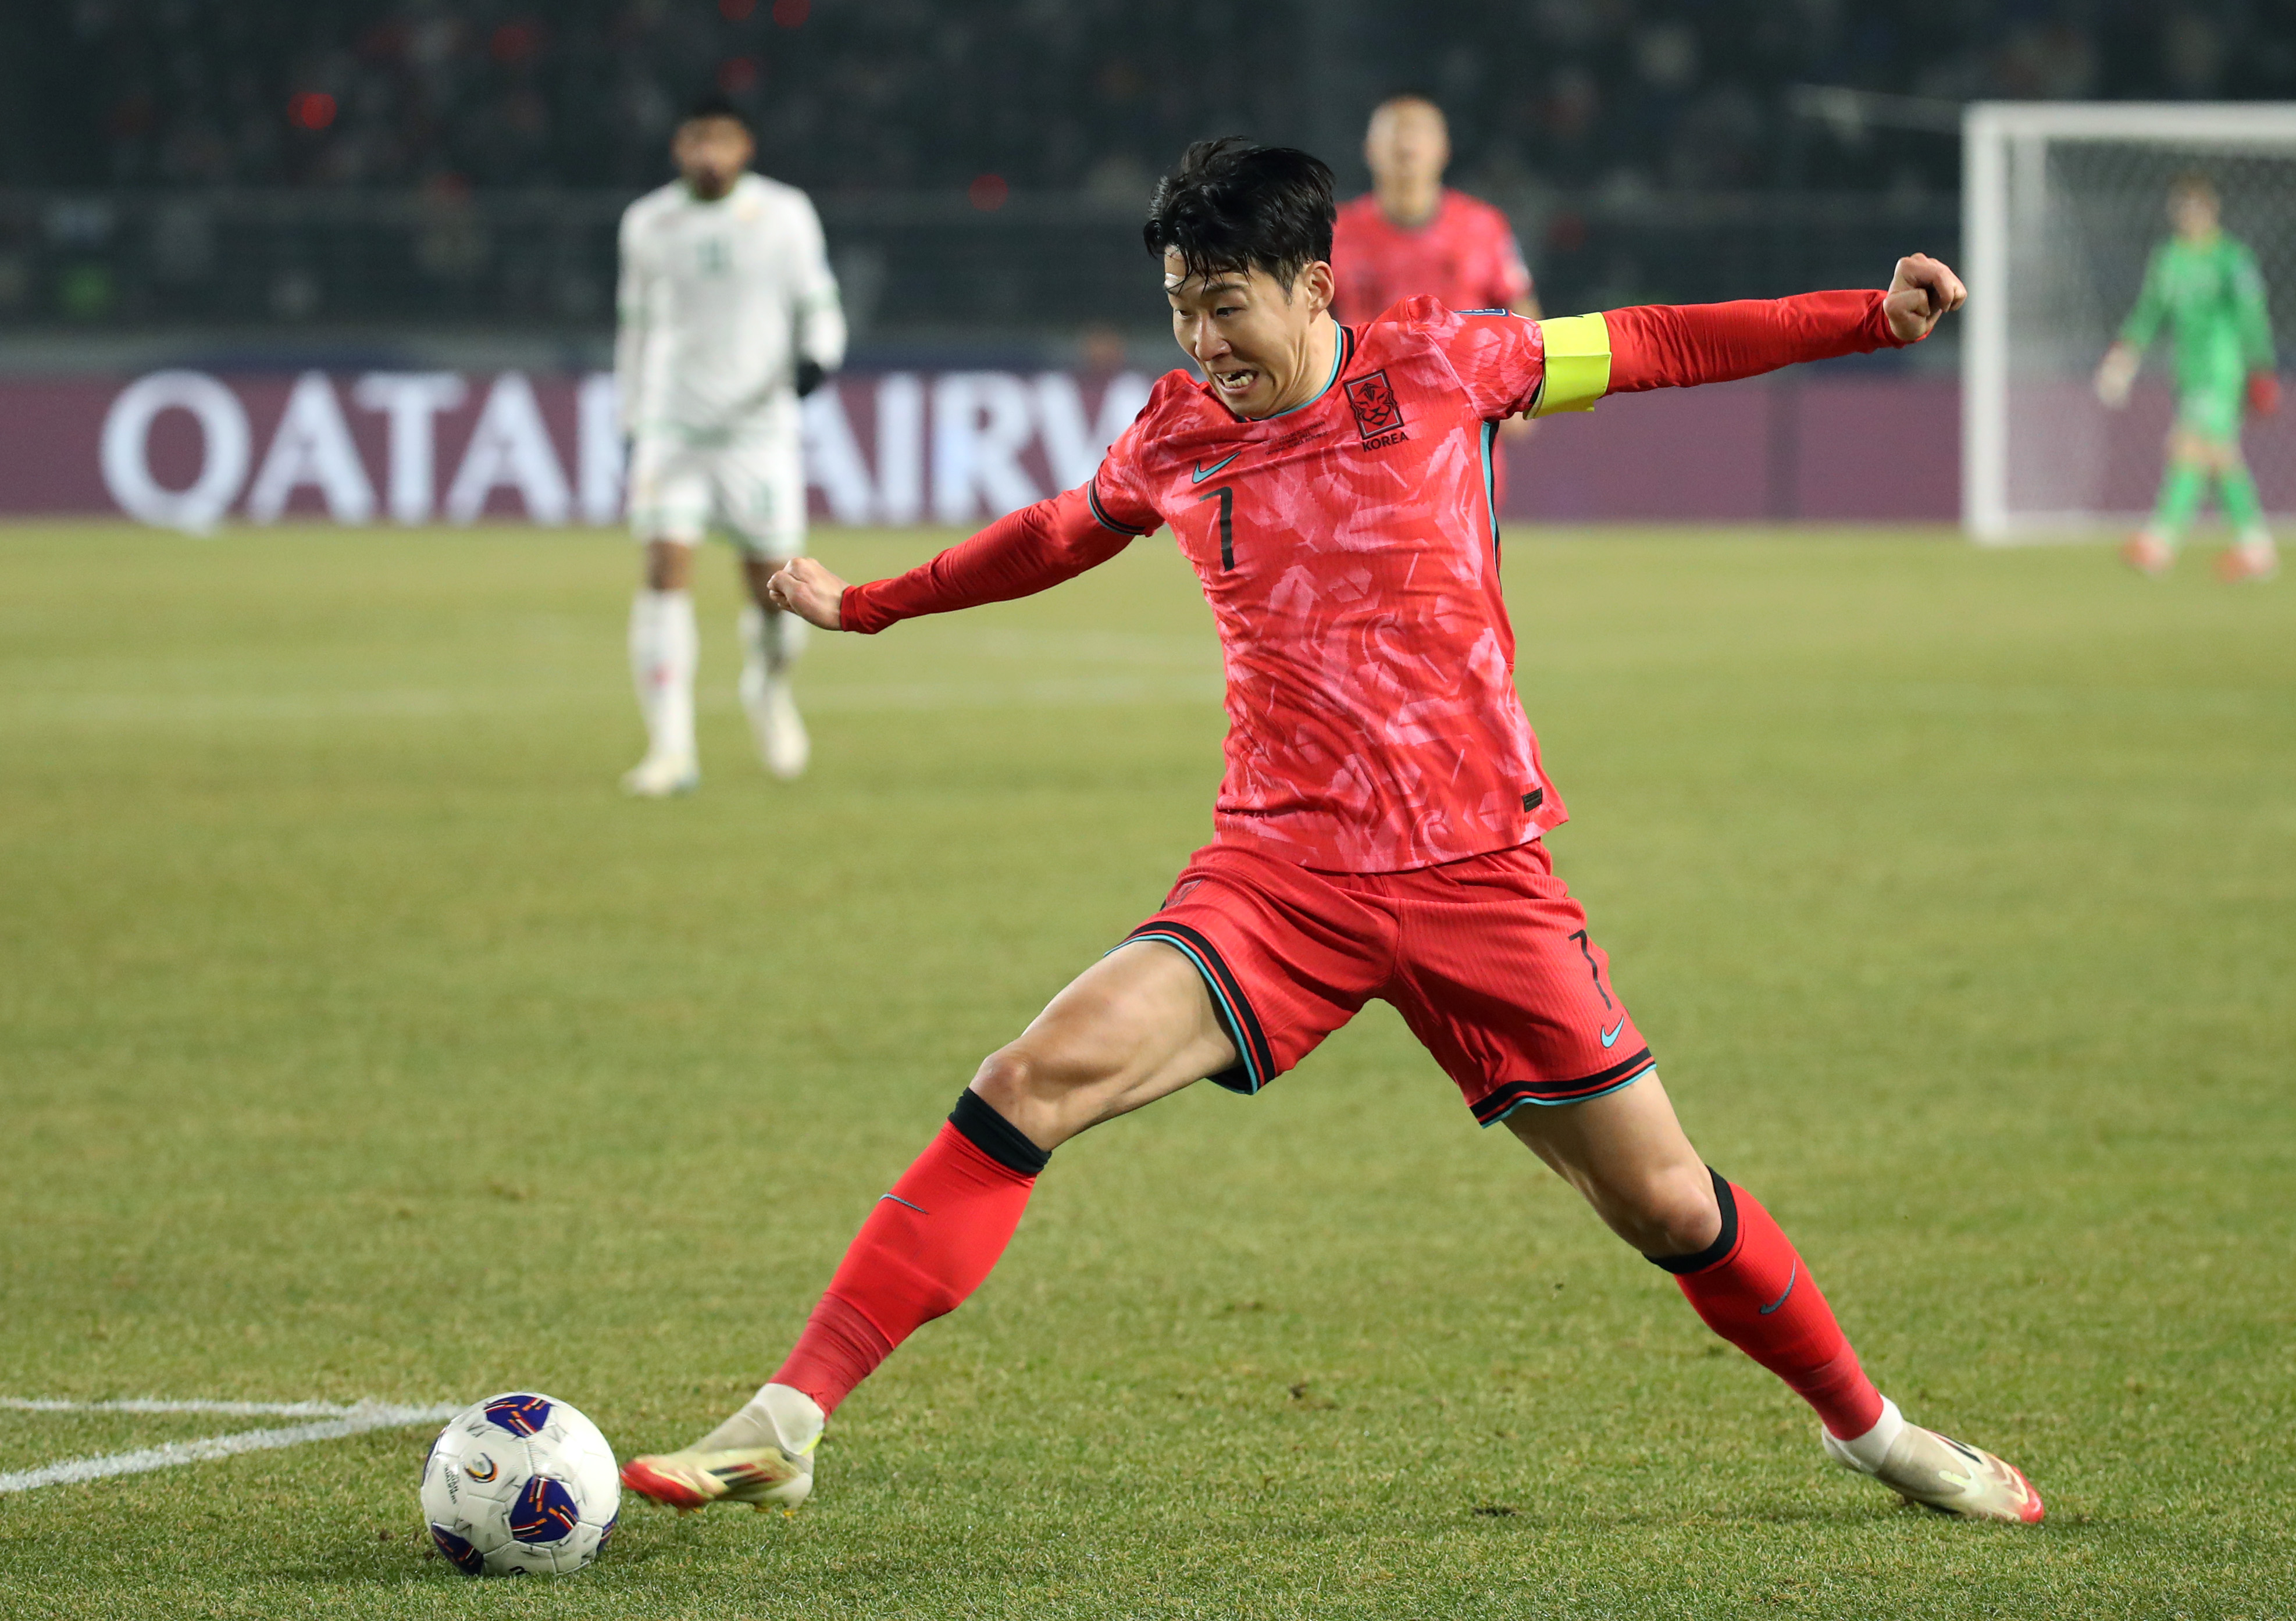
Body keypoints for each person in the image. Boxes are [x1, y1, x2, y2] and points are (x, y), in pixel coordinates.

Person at [620, 140, 2044, 1525]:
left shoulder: (1448, 368)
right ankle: (789, 1418)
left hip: (1479, 870)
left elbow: (1657, 339)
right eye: (1178, 302)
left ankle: (1877, 1433)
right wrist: (868, 604)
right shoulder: (1174, 434)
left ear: (1312, 285)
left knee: (1670, 1207)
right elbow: (1056, 532)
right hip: (1279, 877)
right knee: (1029, 1076)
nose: (1198, 337)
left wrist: (1874, 317)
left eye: (1222, 300)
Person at [615, 91, 848, 797]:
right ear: (677, 148)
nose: (706, 154)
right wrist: (631, 418)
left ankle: (768, 690)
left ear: (744, 146)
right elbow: (634, 326)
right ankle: (670, 749)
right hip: (672, 424)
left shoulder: (784, 214)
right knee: (663, 569)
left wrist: (818, 359)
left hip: (757, 429)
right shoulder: (647, 222)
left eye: (719, 139)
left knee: (774, 590)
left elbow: (819, 304)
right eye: (694, 140)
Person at [2097, 173, 2280, 583]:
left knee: (2191, 446)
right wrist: (2125, 354)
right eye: (2183, 210)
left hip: (2221, 367)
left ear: (2212, 211)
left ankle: (2160, 542)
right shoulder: (2169, 258)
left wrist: (2261, 367)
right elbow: (2149, 311)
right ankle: (2253, 546)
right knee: (2214, 455)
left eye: (2197, 209)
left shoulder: (2231, 257)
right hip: (2187, 369)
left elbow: (2251, 315)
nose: (2190, 218)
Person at [1331, 95, 1539, 324]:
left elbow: (1525, 317)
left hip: (1464, 360)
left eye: (1420, 132)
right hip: (1365, 361)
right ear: (1368, 149)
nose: (1407, 146)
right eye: (1394, 133)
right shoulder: (1333, 232)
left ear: (1444, 148)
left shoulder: (1482, 226)